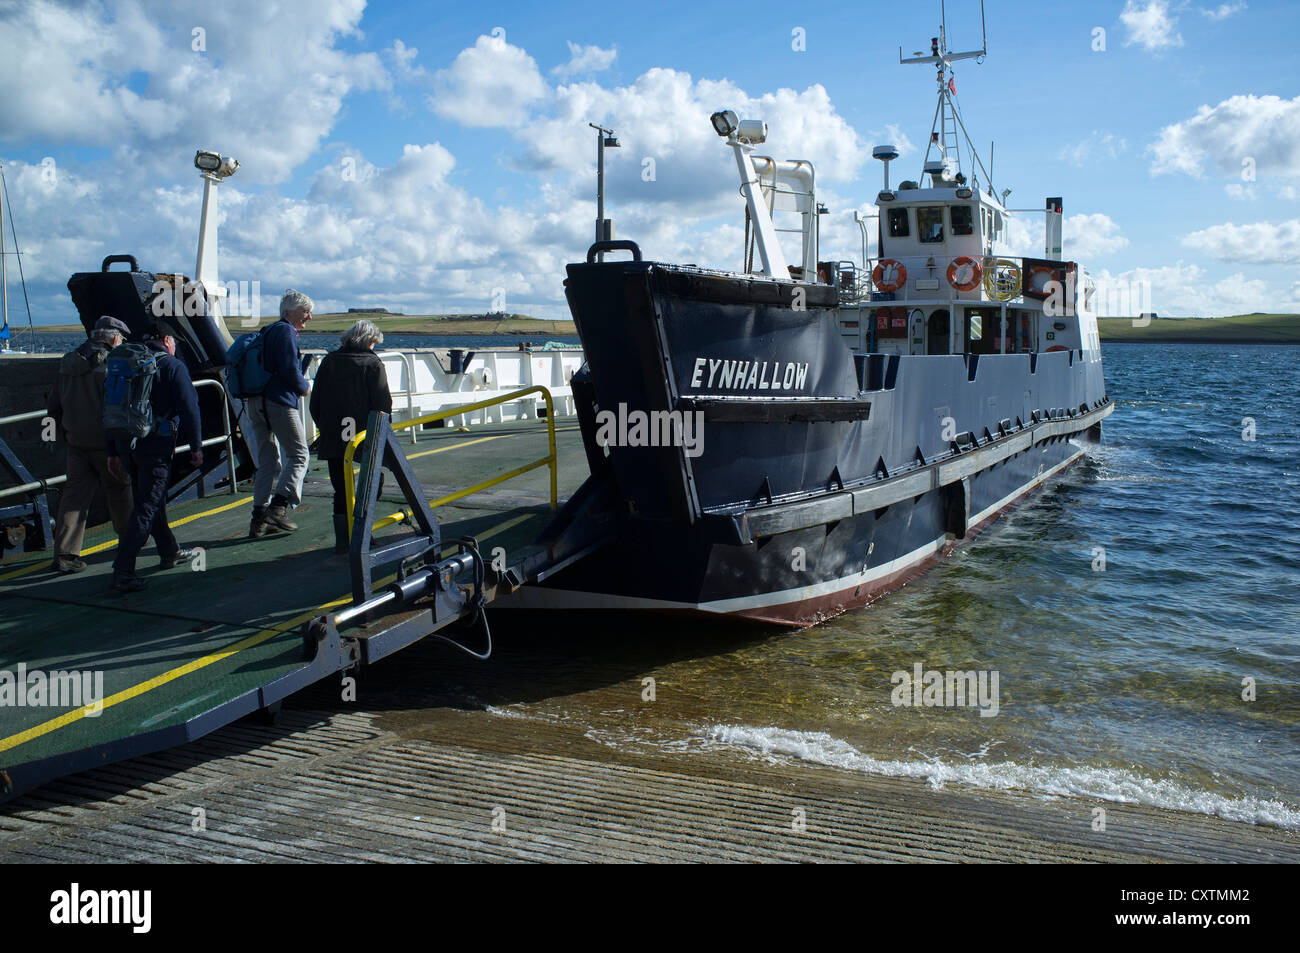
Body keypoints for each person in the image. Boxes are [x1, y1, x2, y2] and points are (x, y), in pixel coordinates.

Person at [106, 325, 203, 594]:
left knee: (149, 500)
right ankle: (122, 570)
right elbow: (189, 408)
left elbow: (110, 407)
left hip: (126, 444)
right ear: (168, 340)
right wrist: (196, 446)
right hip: (156, 446)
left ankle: (169, 551)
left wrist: (112, 450)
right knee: (147, 506)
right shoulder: (173, 366)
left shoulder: (126, 363)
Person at [46, 316, 135, 573]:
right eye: (121, 338)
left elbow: (52, 405)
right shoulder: (109, 367)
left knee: (74, 498)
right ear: (113, 338)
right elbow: (117, 407)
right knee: (119, 490)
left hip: (75, 443)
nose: (122, 342)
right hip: (104, 444)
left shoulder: (68, 363)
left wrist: (50, 436)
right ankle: (130, 539)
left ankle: (64, 555)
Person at [308, 320, 393, 553]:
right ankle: (363, 533)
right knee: (372, 482)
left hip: (334, 433)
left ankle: (344, 541)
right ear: (369, 341)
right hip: (364, 433)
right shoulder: (372, 364)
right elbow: (382, 402)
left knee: (341, 488)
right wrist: (385, 432)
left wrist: (323, 427)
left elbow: (315, 403)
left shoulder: (329, 362)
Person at [246, 289, 312, 538]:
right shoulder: (285, 331)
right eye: (305, 311)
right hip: (278, 403)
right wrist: (303, 387)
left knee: (266, 461)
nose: (309, 317)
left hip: (256, 402)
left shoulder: (267, 330)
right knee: (299, 454)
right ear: (289, 311)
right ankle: (279, 507)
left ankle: (258, 520)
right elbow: (288, 368)